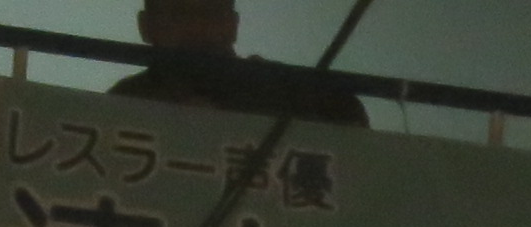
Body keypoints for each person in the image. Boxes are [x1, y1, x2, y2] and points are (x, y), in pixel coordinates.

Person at [105, 0, 369, 122]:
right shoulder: (124, 103)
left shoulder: (297, 95)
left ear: (232, 25)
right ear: (147, 26)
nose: (197, 27)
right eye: (179, 14)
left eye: (211, 13)